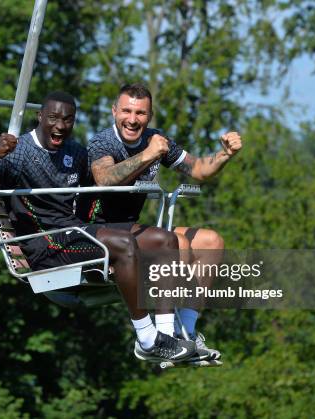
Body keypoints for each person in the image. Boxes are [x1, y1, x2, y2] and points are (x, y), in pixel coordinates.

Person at [0, 91, 199, 363]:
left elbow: (101, 185)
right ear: (39, 116)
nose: (60, 126)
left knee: (164, 240)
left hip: (76, 231)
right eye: (53, 118)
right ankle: (147, 338)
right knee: (125, 245)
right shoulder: (18, 153)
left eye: (68, 119)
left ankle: (166, 336)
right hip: (48, 243)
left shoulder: (75, 151)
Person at [81, 83, 243, 360]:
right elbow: (105, 178)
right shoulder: (102, 142)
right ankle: (163, 337)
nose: (132, 119)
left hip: (134, 229)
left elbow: (199, 169)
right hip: (99, 231)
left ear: (150, 115)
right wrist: (148, 155)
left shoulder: (155, 139)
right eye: (127, 111)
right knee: (176, 241)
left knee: (211, 242)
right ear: (114, 111)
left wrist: (225, 155)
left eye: (141, 113)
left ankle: (186, 334)